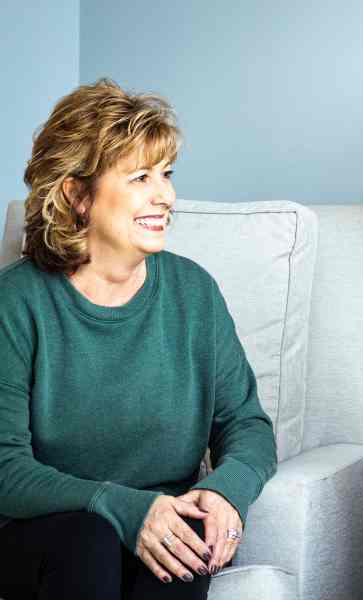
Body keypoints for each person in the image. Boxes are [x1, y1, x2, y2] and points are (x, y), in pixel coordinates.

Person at [0, 79, 278, 600]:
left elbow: (246, 424)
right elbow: (5, 469)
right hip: (50, 530)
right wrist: (122, 507)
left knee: (182, 544)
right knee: (91, 541)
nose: (165, 196)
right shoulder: (16, 302)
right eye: (140, 178)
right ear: (77, 195)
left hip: (167, 520)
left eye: (166, 174)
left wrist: (227, 492)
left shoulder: (193, 292)